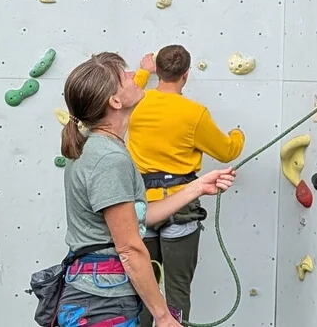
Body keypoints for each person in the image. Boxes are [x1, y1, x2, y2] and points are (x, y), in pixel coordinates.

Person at [58, 52, 236, 327]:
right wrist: (163, 317)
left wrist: (198, 187)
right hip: (103, 302)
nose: (134, 75)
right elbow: (129, 248)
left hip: (98, 294)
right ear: (115, 102)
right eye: (125, 76)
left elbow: (137, 218)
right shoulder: (109, 159)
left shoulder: (97, 146)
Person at [127, 45, 246, 327]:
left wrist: (144, 71)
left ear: (159, 70)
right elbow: (227, 152)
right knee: (177, 291)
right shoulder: (195, 114)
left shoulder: (137, 102)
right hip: (180, 208)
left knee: (143, 290)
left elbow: (132, 90)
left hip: (142, 207)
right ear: (186, 75)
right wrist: (237, 135)